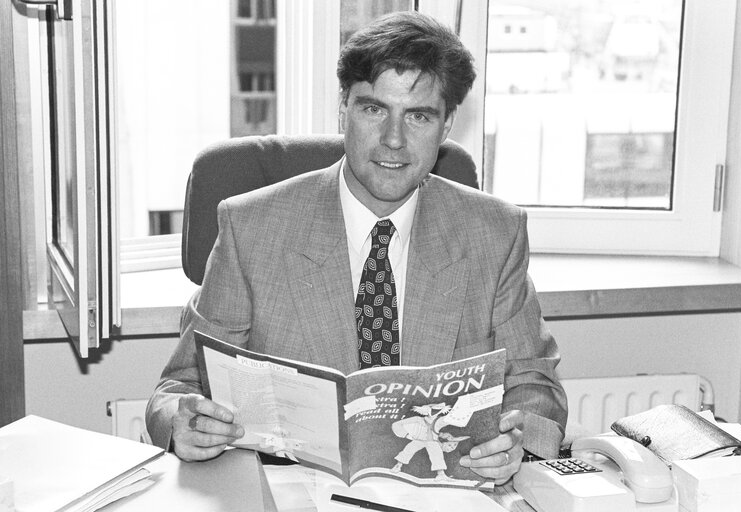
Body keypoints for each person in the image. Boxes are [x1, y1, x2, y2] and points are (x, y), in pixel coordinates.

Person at [146, 10, 567, 486]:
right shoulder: (251, 227)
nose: (393, 139)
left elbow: (535, 385)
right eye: (373, 109)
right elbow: (178, 388)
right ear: (343, 108)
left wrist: (517, 441)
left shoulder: (494, 231)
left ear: (447, 124)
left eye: (419, 116)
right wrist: (182, 423)